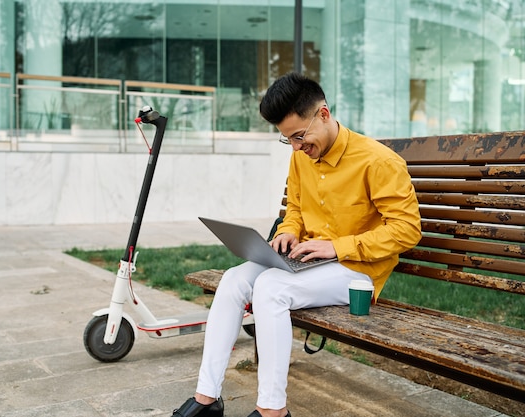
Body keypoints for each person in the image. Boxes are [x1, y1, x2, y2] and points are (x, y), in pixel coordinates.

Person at [171, 72, 422, 417]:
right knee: (233, 280)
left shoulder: (378, 162)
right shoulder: (301, 156)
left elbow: (407, 230)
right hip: (309, 263)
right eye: (287, 139)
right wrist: (288, 231)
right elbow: (296, 210)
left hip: (357, 272)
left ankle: (273, 411)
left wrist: (337, 247)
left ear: (324, 114)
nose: (296, 147)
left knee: (271, 288)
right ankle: (206, 399)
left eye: (300, 136)